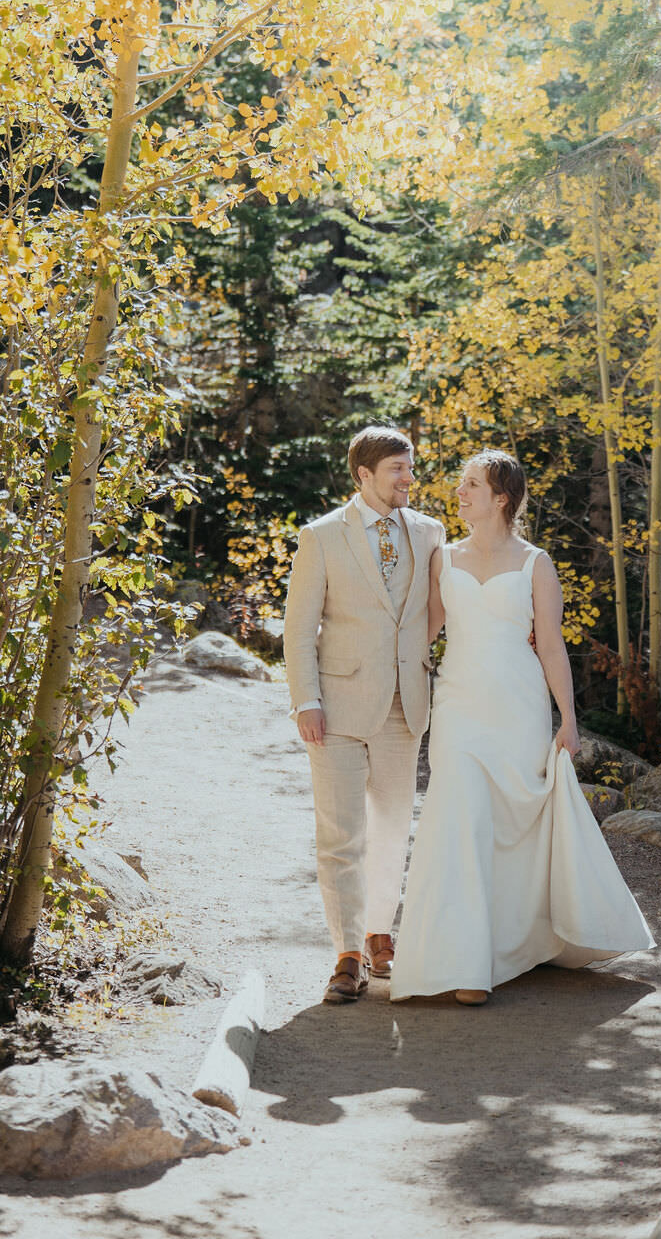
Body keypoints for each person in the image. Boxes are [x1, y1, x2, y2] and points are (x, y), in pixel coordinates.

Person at [389, 449, 654, 1006]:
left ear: (501, 497)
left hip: (519, 707)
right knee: (459, 818)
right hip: (458, 705)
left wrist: (569, 720)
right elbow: (427, 628)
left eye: (471, 484)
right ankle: (464, 964)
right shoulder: (444, 556)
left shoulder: (537, 563)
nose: (459, 492)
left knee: (512, 823)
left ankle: (513, 942)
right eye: (461, 483)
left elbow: (552, 646)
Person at [283, 426, 445, 1004]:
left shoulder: (430, 533)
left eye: (409, 467)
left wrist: (418, 658)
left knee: (393, 831)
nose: (408, 478)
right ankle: (347, 955)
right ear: (364, 475)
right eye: (398, 469)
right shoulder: (322, 537)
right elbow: (300, 629)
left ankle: (381, 933)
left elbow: (434, 610)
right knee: (340, 835)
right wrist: (307, 701)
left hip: (406, 704)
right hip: (338, 708)